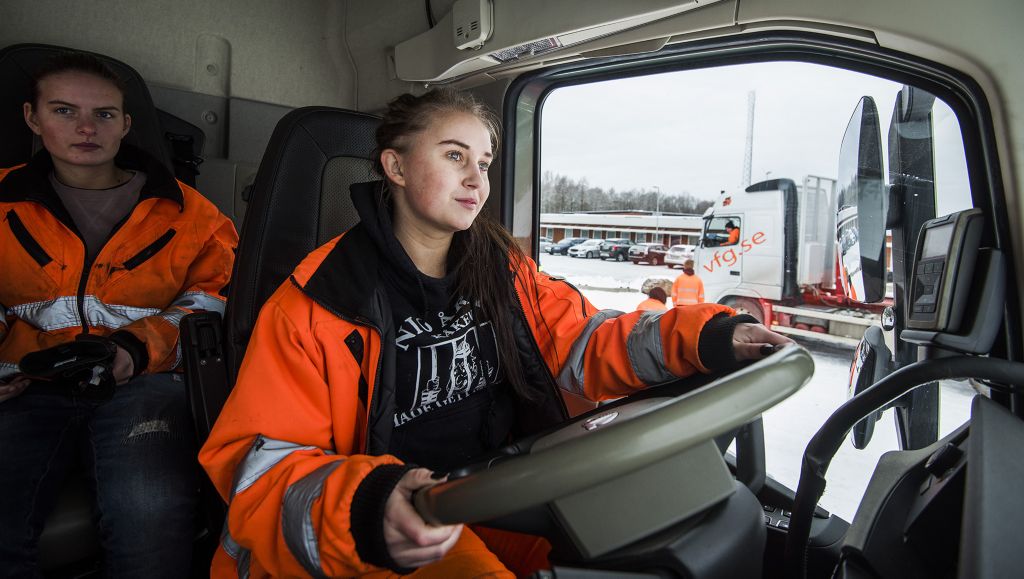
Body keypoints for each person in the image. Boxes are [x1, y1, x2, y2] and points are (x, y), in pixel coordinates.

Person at [199, 88, 791, 578]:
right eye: (454, 156)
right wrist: (369, 507)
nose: (477, 179)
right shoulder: (319, 300)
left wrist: (711, 338)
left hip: (508, 489)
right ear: (396, 166)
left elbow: (588, 340)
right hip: (407, 520)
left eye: (482, 163)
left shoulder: (504, 270)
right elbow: (261, 466)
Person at [0, 52, 238, 577]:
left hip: (145, 384)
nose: (86, 128)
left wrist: (135, 349)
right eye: (64, 111)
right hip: (25, 383)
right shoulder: (2, 201)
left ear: (126, 124)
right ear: (32, 119)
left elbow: (212, 304)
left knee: (149, 518)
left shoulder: (191, 214)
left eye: (104, 114)